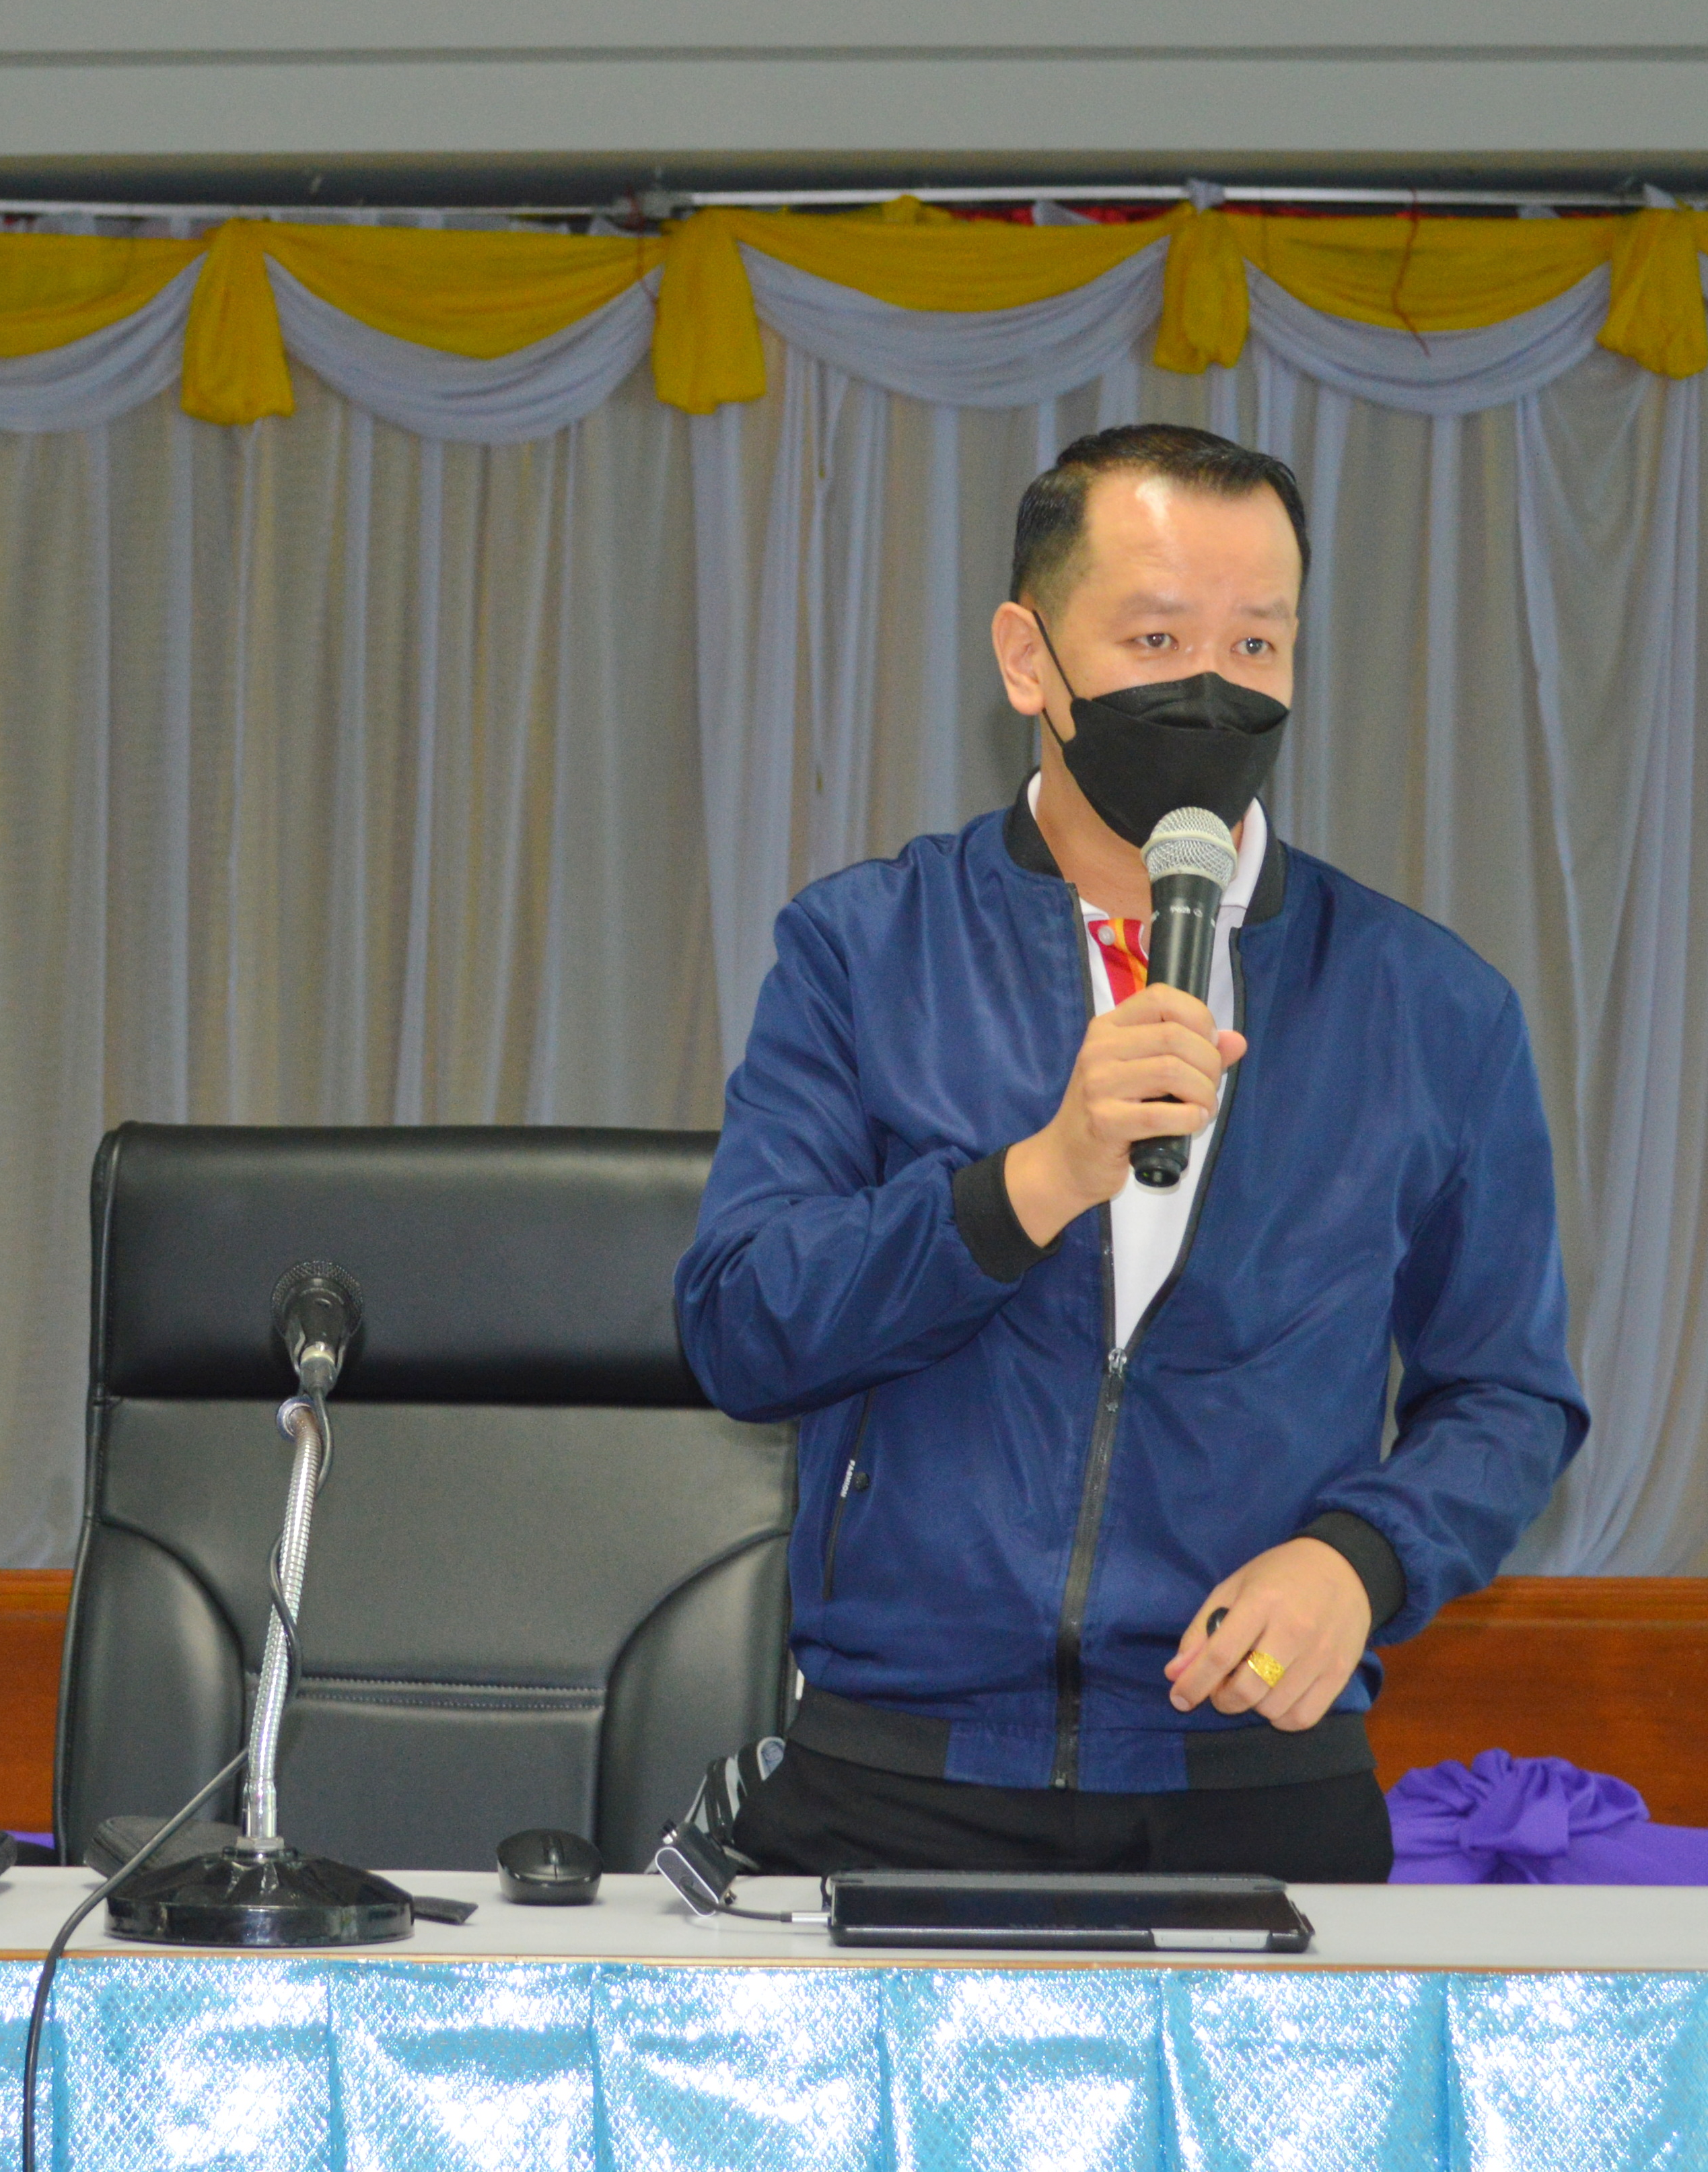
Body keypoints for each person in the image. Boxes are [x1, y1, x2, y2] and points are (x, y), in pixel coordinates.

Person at [672, 423, 1588, 1883]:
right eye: (1157, 639)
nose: (1211, 691)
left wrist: (1364, 1561)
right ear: (1027, 660)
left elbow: (1510, 1393)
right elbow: (740, 1325)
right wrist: (1033, 1180)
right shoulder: (865, 949)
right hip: (899, 1776)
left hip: (1255, 1780)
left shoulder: (1431, 1003)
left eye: (1257, 643)